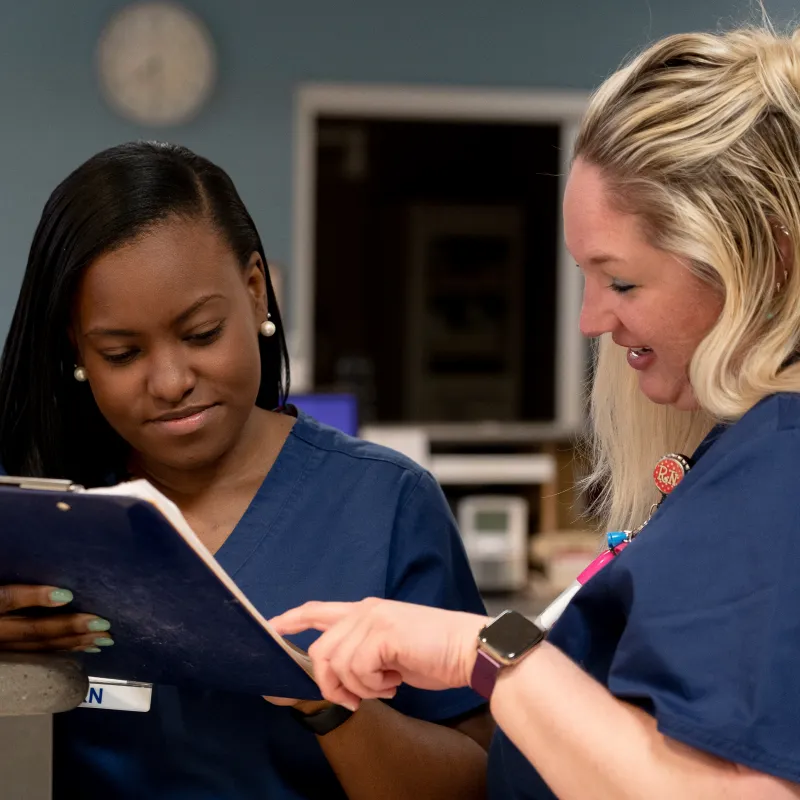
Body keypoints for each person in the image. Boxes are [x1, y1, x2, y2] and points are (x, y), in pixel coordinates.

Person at [272, 24, 800, 800]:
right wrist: (491, 643)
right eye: (585, 276)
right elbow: (587, 676)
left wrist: (470, 651)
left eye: (620, 283)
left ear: (766, 259)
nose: (591, 320)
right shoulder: (736, 455)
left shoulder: (780, 465)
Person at [0, 141, 493, 799]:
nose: (172, 381)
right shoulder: (35, 504)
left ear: (256, 291)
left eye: (202, 333)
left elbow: (473, 782)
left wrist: (327, 702)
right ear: (76, 347)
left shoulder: (383, 505)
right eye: (122, 353)